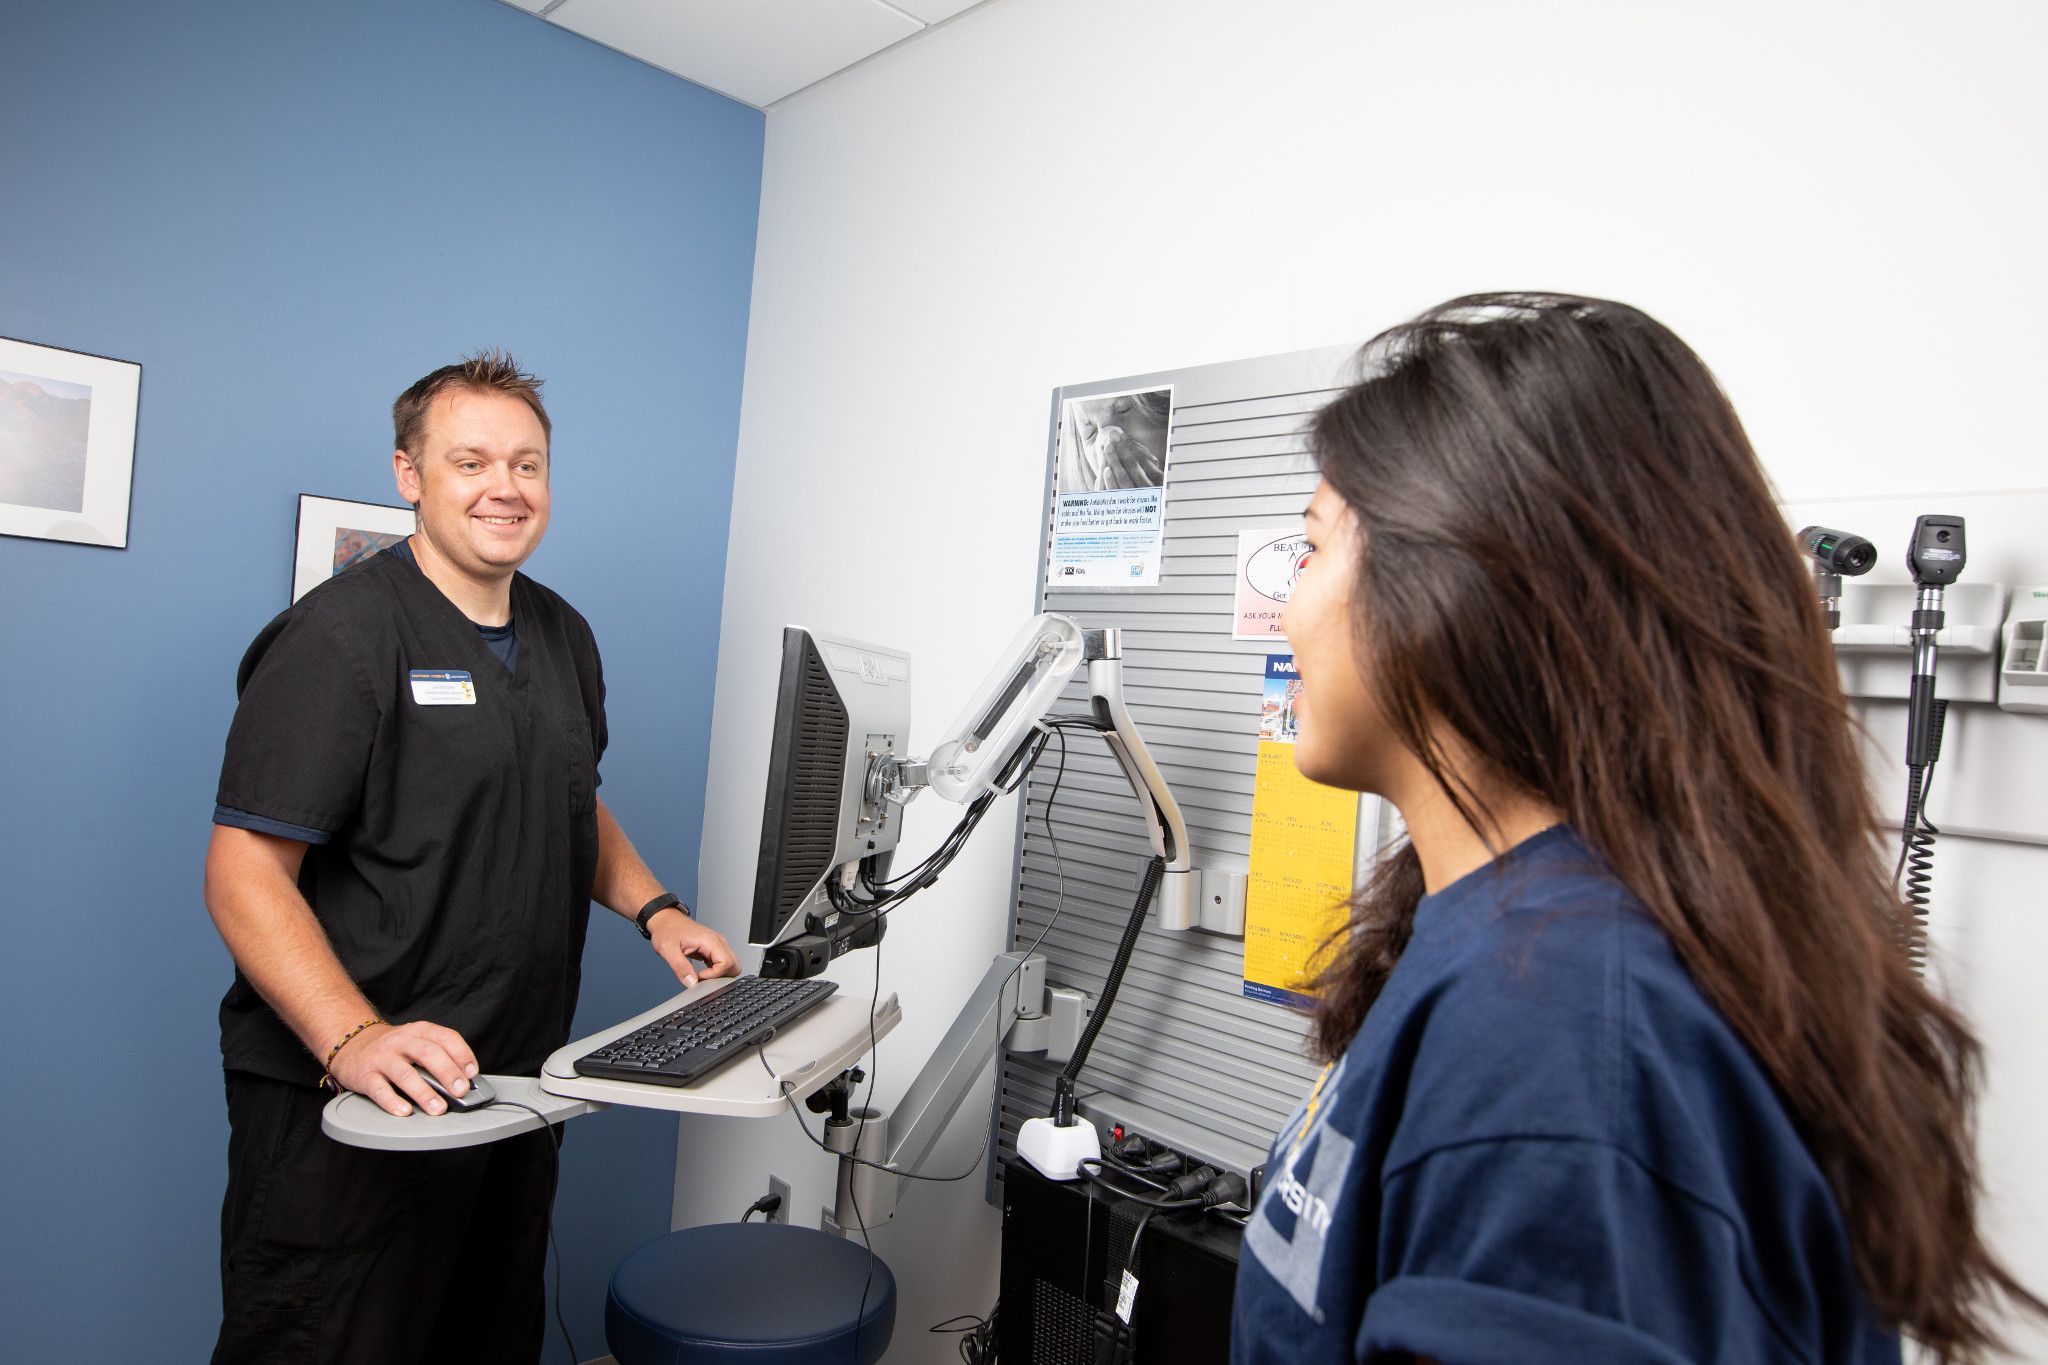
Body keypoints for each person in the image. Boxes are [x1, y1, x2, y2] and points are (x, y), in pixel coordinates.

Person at [1229, 295, 2039, 1363]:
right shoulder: (1517, 944)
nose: (1287, 610)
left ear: (1451, 587)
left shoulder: (1558, 1031)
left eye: (1313, 548)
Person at [203, 352, 739, 1364]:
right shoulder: (341, 639)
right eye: (471, 462)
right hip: (354, 1100)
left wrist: (656, 910)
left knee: (483, 1337)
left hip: (507, 1084)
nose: (504, 488)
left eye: (527, 464)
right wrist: (353, 1038)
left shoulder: (562, 635)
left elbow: (568, 799)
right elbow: (241, 873)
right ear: (409, 474)